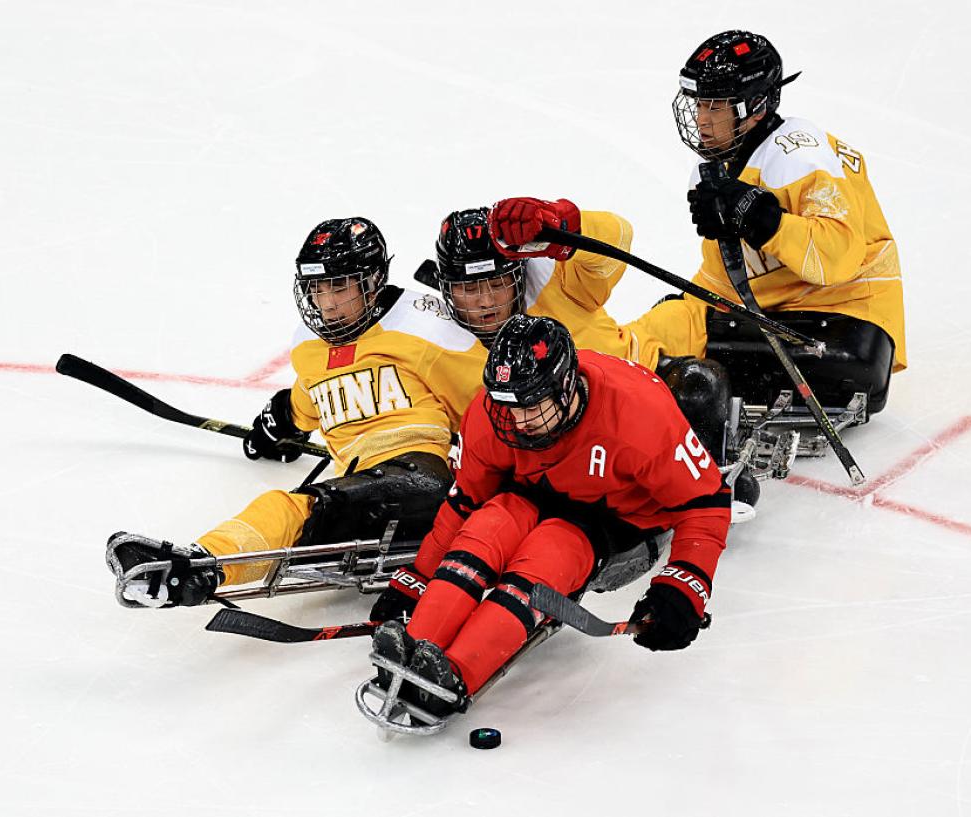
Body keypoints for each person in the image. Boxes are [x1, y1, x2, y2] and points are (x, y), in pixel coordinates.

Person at [106, 217, 485, 608]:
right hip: (365, 485)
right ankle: (198, 566)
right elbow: (307, 401)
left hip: (427, 479)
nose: (329, 301)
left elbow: (494, 398)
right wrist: (278, 425)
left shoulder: (426, 328)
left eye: (340, 286)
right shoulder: (310, 346)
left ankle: (198, 568)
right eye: (318, 288)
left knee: (310, 507)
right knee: (302, 508)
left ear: (372, 281)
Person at [369, 314, 732, 715]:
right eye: (507, 405)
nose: (517, 422)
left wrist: (684, 587)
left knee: (551, 547)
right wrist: (418, 577)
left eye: (530, 405)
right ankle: (416, 643)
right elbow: (465, 502)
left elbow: (706, 503)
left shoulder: (639, 414)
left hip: (619, 522)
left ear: (565, 388)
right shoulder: (495, 412)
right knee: (492, 520)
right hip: (537, 494)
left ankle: (455, 673)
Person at [665, 29, 905, 414]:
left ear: (755, 105)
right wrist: (688, 309)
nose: (701, 119)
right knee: (664, 334)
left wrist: (765, 219)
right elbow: (725, 276)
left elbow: (836, 257)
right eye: (698, 105)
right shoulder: (717, 168)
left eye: (714, 106)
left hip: (844, 309)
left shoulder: (797, 155)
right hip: (775, 305)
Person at [432, 204, 741, 498]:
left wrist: (563, 222)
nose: (486, 302)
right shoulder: (431, 338)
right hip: (564, 445)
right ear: (446, 287)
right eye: (470, 289)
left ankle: (708, 485)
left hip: (636, 387)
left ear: (519, 272)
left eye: (498, 283)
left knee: (699, 384)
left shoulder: (552, 276)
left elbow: (619, 237)